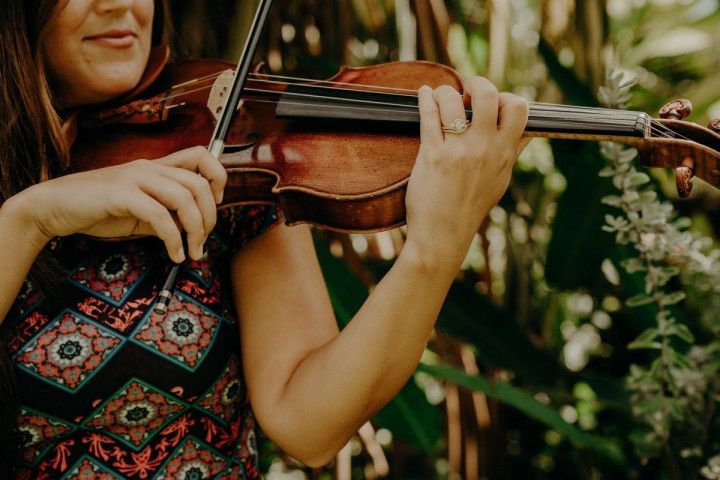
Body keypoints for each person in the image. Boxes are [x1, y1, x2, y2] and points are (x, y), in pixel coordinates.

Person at [0, 0, 530, 478]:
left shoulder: (221, 146)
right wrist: (31, 218)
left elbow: (309, 426)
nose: (121, 4)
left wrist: (434, 250)